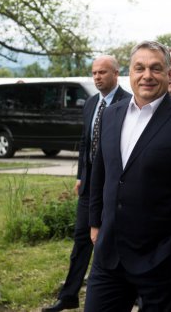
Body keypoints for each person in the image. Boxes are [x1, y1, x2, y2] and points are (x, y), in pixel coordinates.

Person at [84, 41, 171, 311]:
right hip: (109, 255)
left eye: (156, 68)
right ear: (129, 72)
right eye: (139, 68)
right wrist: (95, 221)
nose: (147, 75)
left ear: (168, 73)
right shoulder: (111, 115)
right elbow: (100, 172)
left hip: (159, 261)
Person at [42, 55, 131, 312]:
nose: (97, 77)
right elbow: (85, 142)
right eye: (94, 73)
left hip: (116, 186)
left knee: (116, 238)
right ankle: (69, 295)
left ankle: (127, 290)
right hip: (90, 185)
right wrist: (81, 175)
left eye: (103, 72)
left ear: (116, 73)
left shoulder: (129, 103)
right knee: (81, 239)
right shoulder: (91, 103)